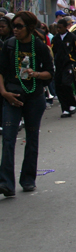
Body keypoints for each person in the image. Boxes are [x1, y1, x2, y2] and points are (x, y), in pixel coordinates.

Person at [0, 11, 55, 196]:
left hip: (33, 97)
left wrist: (36, 74)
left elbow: (49, 73)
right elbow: (1, 71)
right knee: (8, 139)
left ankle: (28, 180)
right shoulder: (9, 45)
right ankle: (6, 183)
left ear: (29, 28)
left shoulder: (39, 47)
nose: (15, 30)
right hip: (12, 96)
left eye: (19, 26)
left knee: (32, 139)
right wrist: (4, 92)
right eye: (13, 26)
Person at [51, 18, 76, 118]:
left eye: (60, 28)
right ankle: (65, 109)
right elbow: (53, 51)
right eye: (57, 28)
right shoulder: (55, 38)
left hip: (69, 64)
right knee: (59, 86)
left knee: (66, 84)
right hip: (59, 65)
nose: (58, 29)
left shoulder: (72, 37)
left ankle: (72, 103)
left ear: (65, 27)